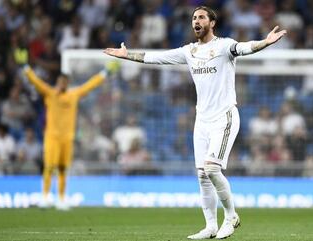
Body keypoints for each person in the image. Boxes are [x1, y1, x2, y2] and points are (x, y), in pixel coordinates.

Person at [104, 5, 286, 239]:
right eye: (193, 18)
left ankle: (231, 216)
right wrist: (127, 55)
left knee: (212, 168)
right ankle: (210, 226)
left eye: (201, 17)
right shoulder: (189, 51)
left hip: (225, 116)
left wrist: (265, 41)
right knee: (202, 175)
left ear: (212, 23)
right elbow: (157, 58)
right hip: (202, 120)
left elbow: (244, 48)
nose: (195, 21)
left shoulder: (223, 46)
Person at [23, 61, 119, 210]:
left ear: (67, 83)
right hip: (52, 137)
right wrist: (25, 66)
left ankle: (61, 199)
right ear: (57, 82)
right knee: (49, 167)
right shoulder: (50, 93)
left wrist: (105, 72)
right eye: (60, 81)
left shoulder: (73, 94)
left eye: (64, 82)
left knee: (62, 169)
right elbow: (35, 81)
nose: (62, 84)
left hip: (67, 137)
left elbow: (90, 85)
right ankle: (45, 197)